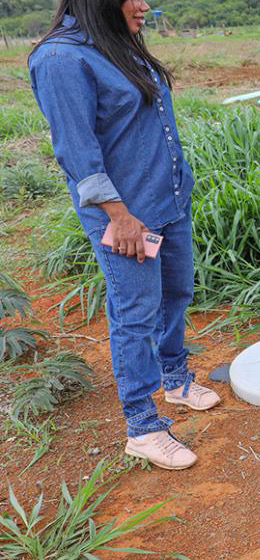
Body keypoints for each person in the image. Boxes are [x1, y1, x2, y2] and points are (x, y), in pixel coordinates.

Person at [28, 0, 219, 470]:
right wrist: (120, 216)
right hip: (126, 217)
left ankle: (175, 379)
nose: (146, 5)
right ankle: (142, 425)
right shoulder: (60, 59)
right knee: (135, 315)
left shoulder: (116, 43)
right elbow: (77, 151)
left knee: (176, 292)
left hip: (167, 199)